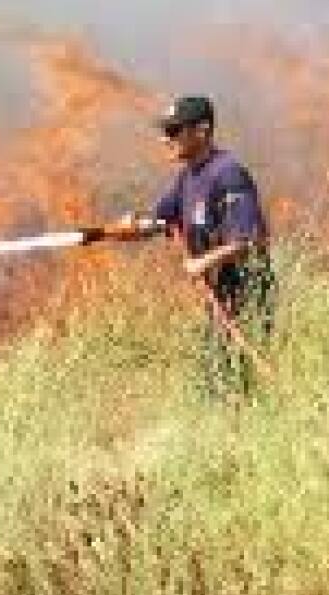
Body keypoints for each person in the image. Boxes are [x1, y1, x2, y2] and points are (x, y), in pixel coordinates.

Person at [143, 95, 275, 395]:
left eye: (174, 131)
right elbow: (157, 221)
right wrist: (130, 226)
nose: (166, 139)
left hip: (248, 294)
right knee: (214, 382)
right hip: (220, 297)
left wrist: (205, 261)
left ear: (202, 131)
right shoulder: (187, 179)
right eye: (165, 131)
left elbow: (251, 238)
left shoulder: (227, 173)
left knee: (238, 384)